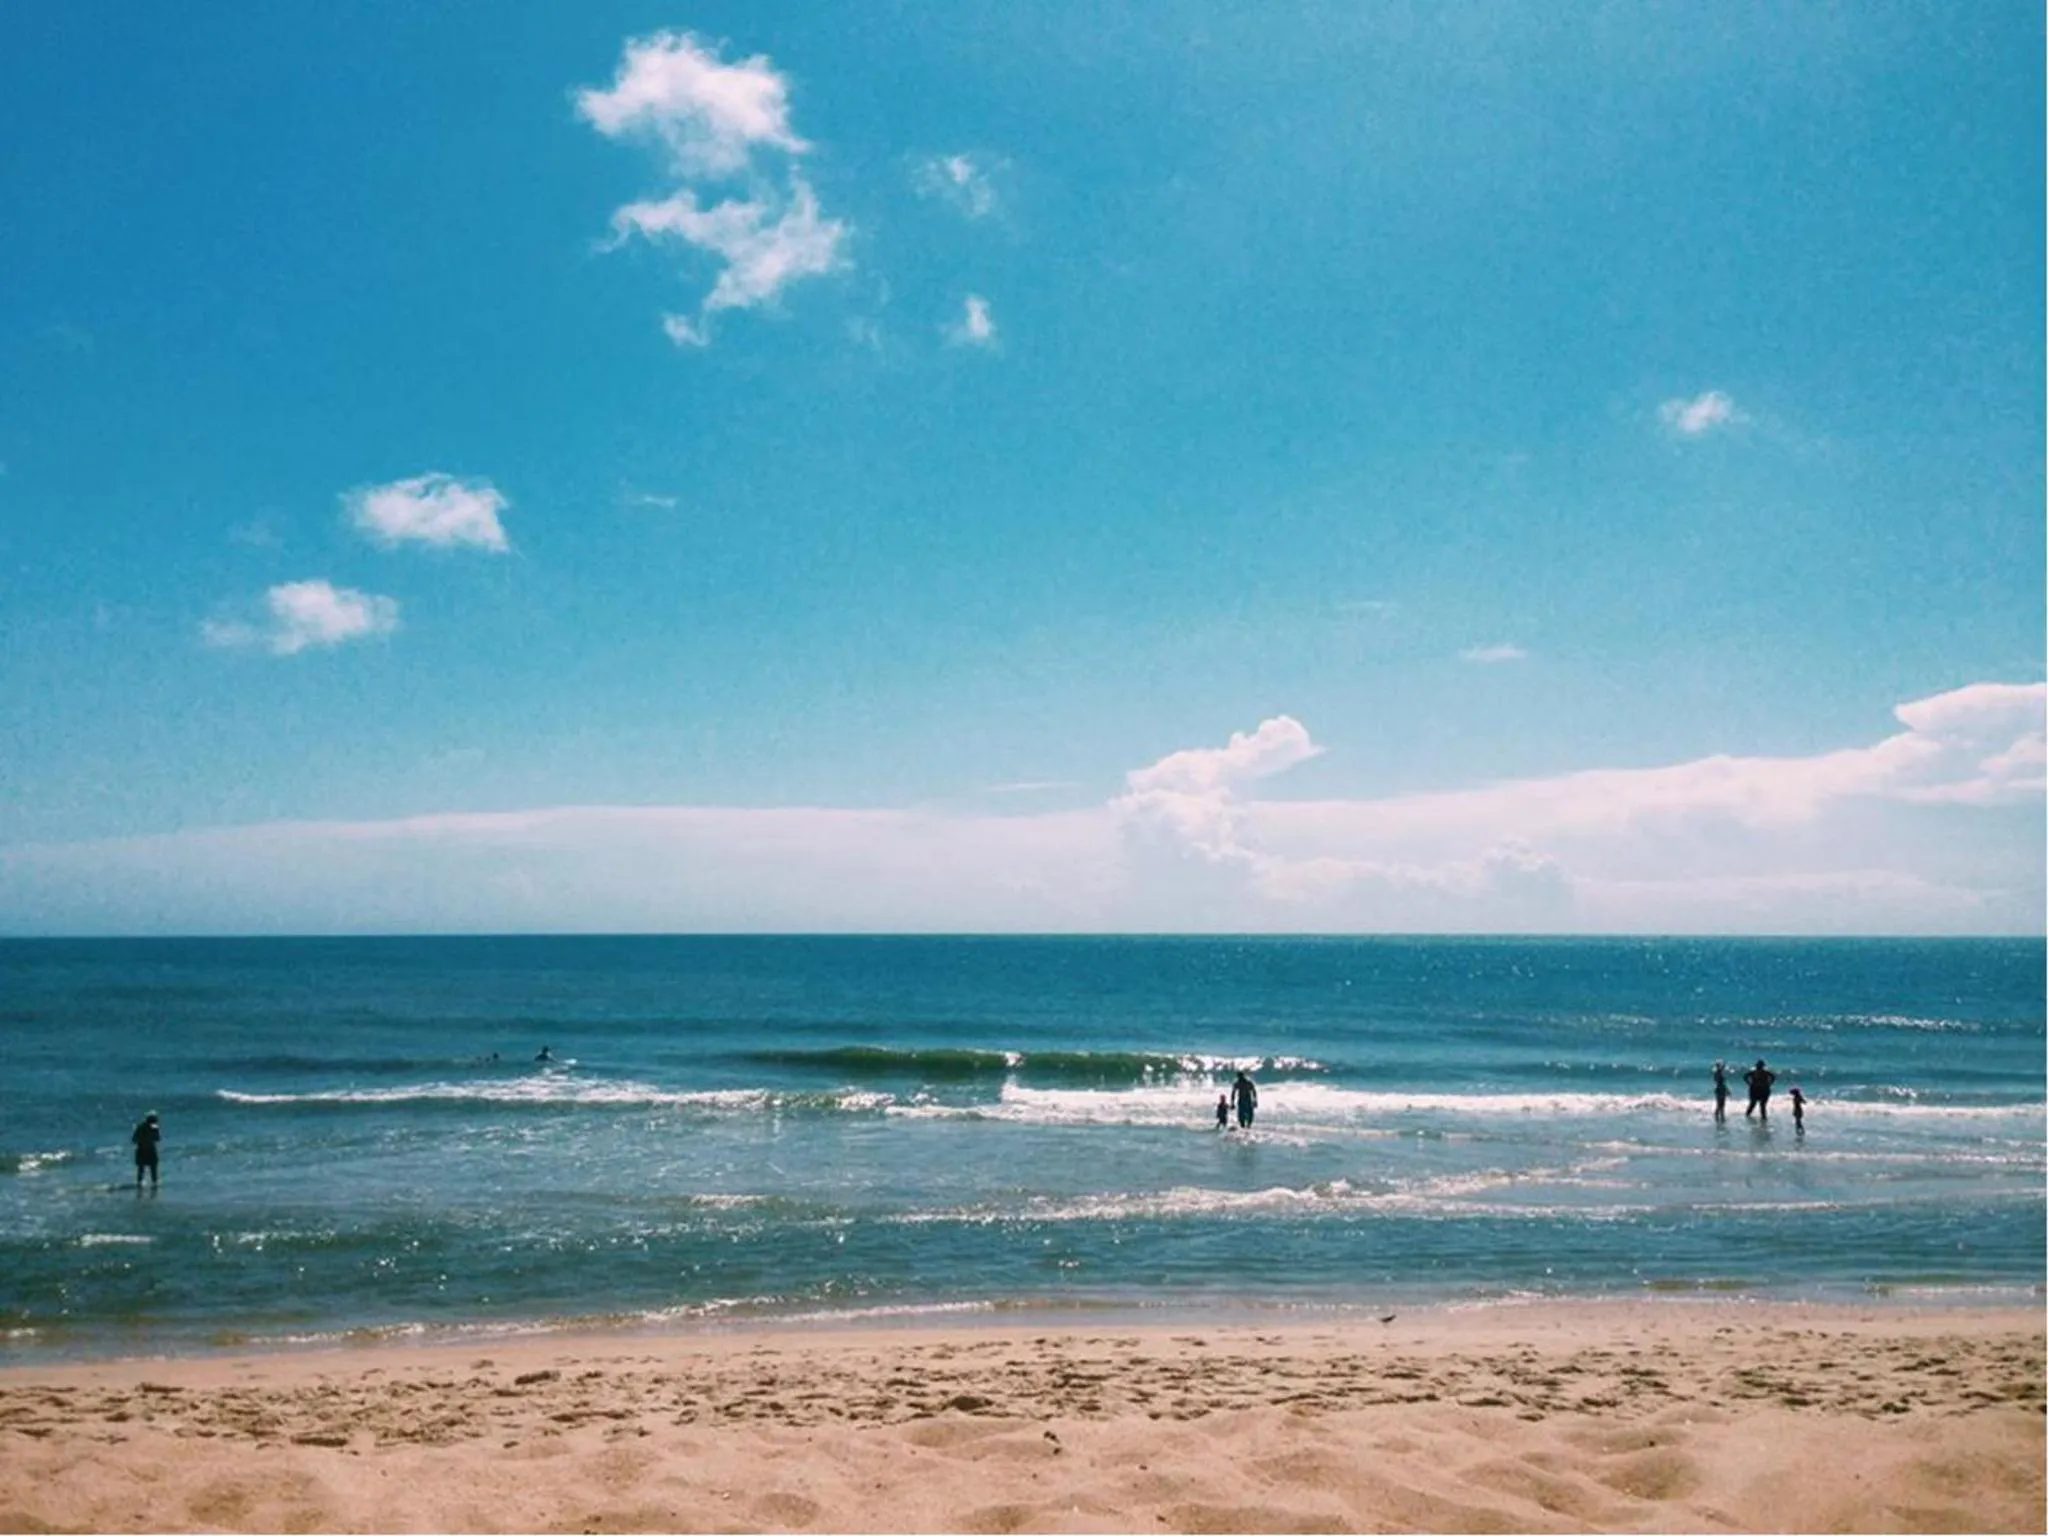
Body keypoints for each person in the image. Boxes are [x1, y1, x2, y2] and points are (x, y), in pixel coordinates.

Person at [131, 1112, 161, 1190]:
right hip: (143, 1150)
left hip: (148, 1150)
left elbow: (158, 1138)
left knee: (152, 1169)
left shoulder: (153, 1128)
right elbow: (134, 1139)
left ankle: (154, 1185)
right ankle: (140, 1185)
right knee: (142, 1169)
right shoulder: (141, 1127)